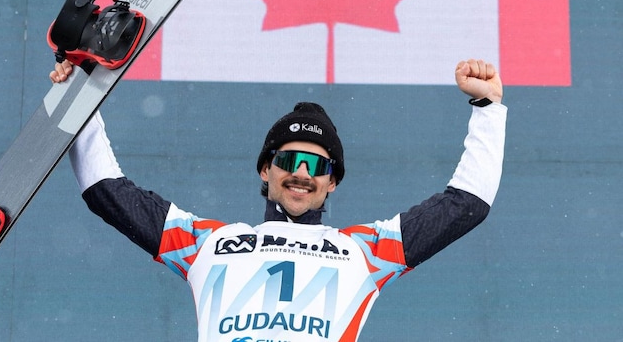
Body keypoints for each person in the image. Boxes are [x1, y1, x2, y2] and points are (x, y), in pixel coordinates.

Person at [51, 58, 507, 342]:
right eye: (290, 159)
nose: (302, 174)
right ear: (265, 170)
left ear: (333, 184)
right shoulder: (207, 243)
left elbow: (467, 204)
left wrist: (487, 110)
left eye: (319, 166)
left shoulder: (365, 251)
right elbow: (106, 192)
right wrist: (77, 100)